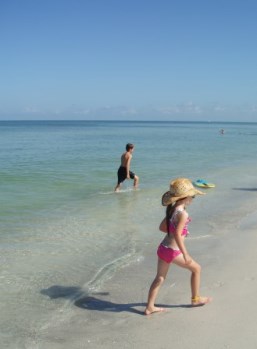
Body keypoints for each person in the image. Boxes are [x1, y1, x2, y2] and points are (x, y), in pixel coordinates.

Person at [144, 178, 212, 315]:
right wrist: (185, 252)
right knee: (197, 269)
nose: (193, 199)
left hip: (163, 247)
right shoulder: (183, 214)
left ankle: (149, 307)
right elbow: (176, 235)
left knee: (159, 278)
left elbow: (162, 228)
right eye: (192, 196)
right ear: (186, 197)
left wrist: (180, 232)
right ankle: (195, 299)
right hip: (173, 251)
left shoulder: (172, 209)